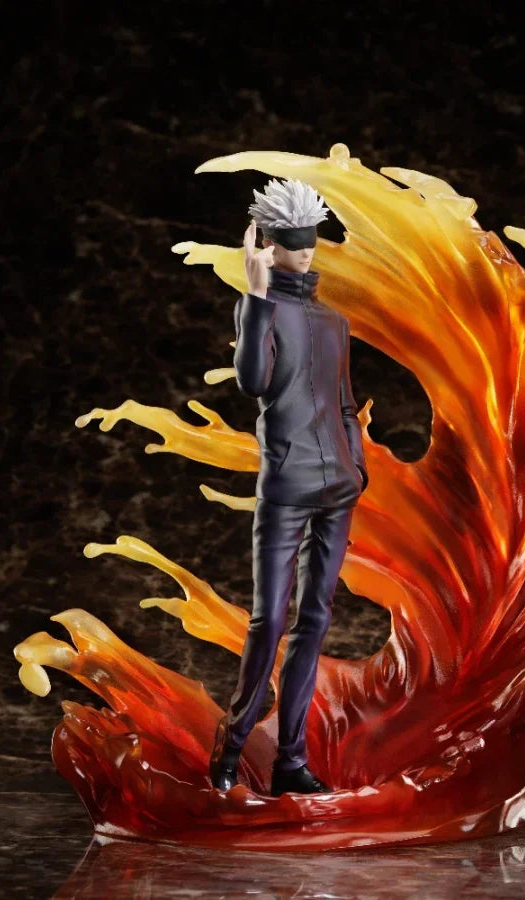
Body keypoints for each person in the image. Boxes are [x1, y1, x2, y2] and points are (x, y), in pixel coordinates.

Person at [209, 178, 368, 797]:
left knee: (315, 621)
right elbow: (254, 382)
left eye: (310, 242)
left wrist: (356, 467)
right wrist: (254, 296)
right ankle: (233, 740)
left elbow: (345, 402)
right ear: (269, 244)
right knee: (269, 619)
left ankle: (291, 761)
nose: (305, 252)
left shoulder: (334, 321)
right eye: (293, 243)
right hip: (286, 484)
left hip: (337, 489)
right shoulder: (261, 310)